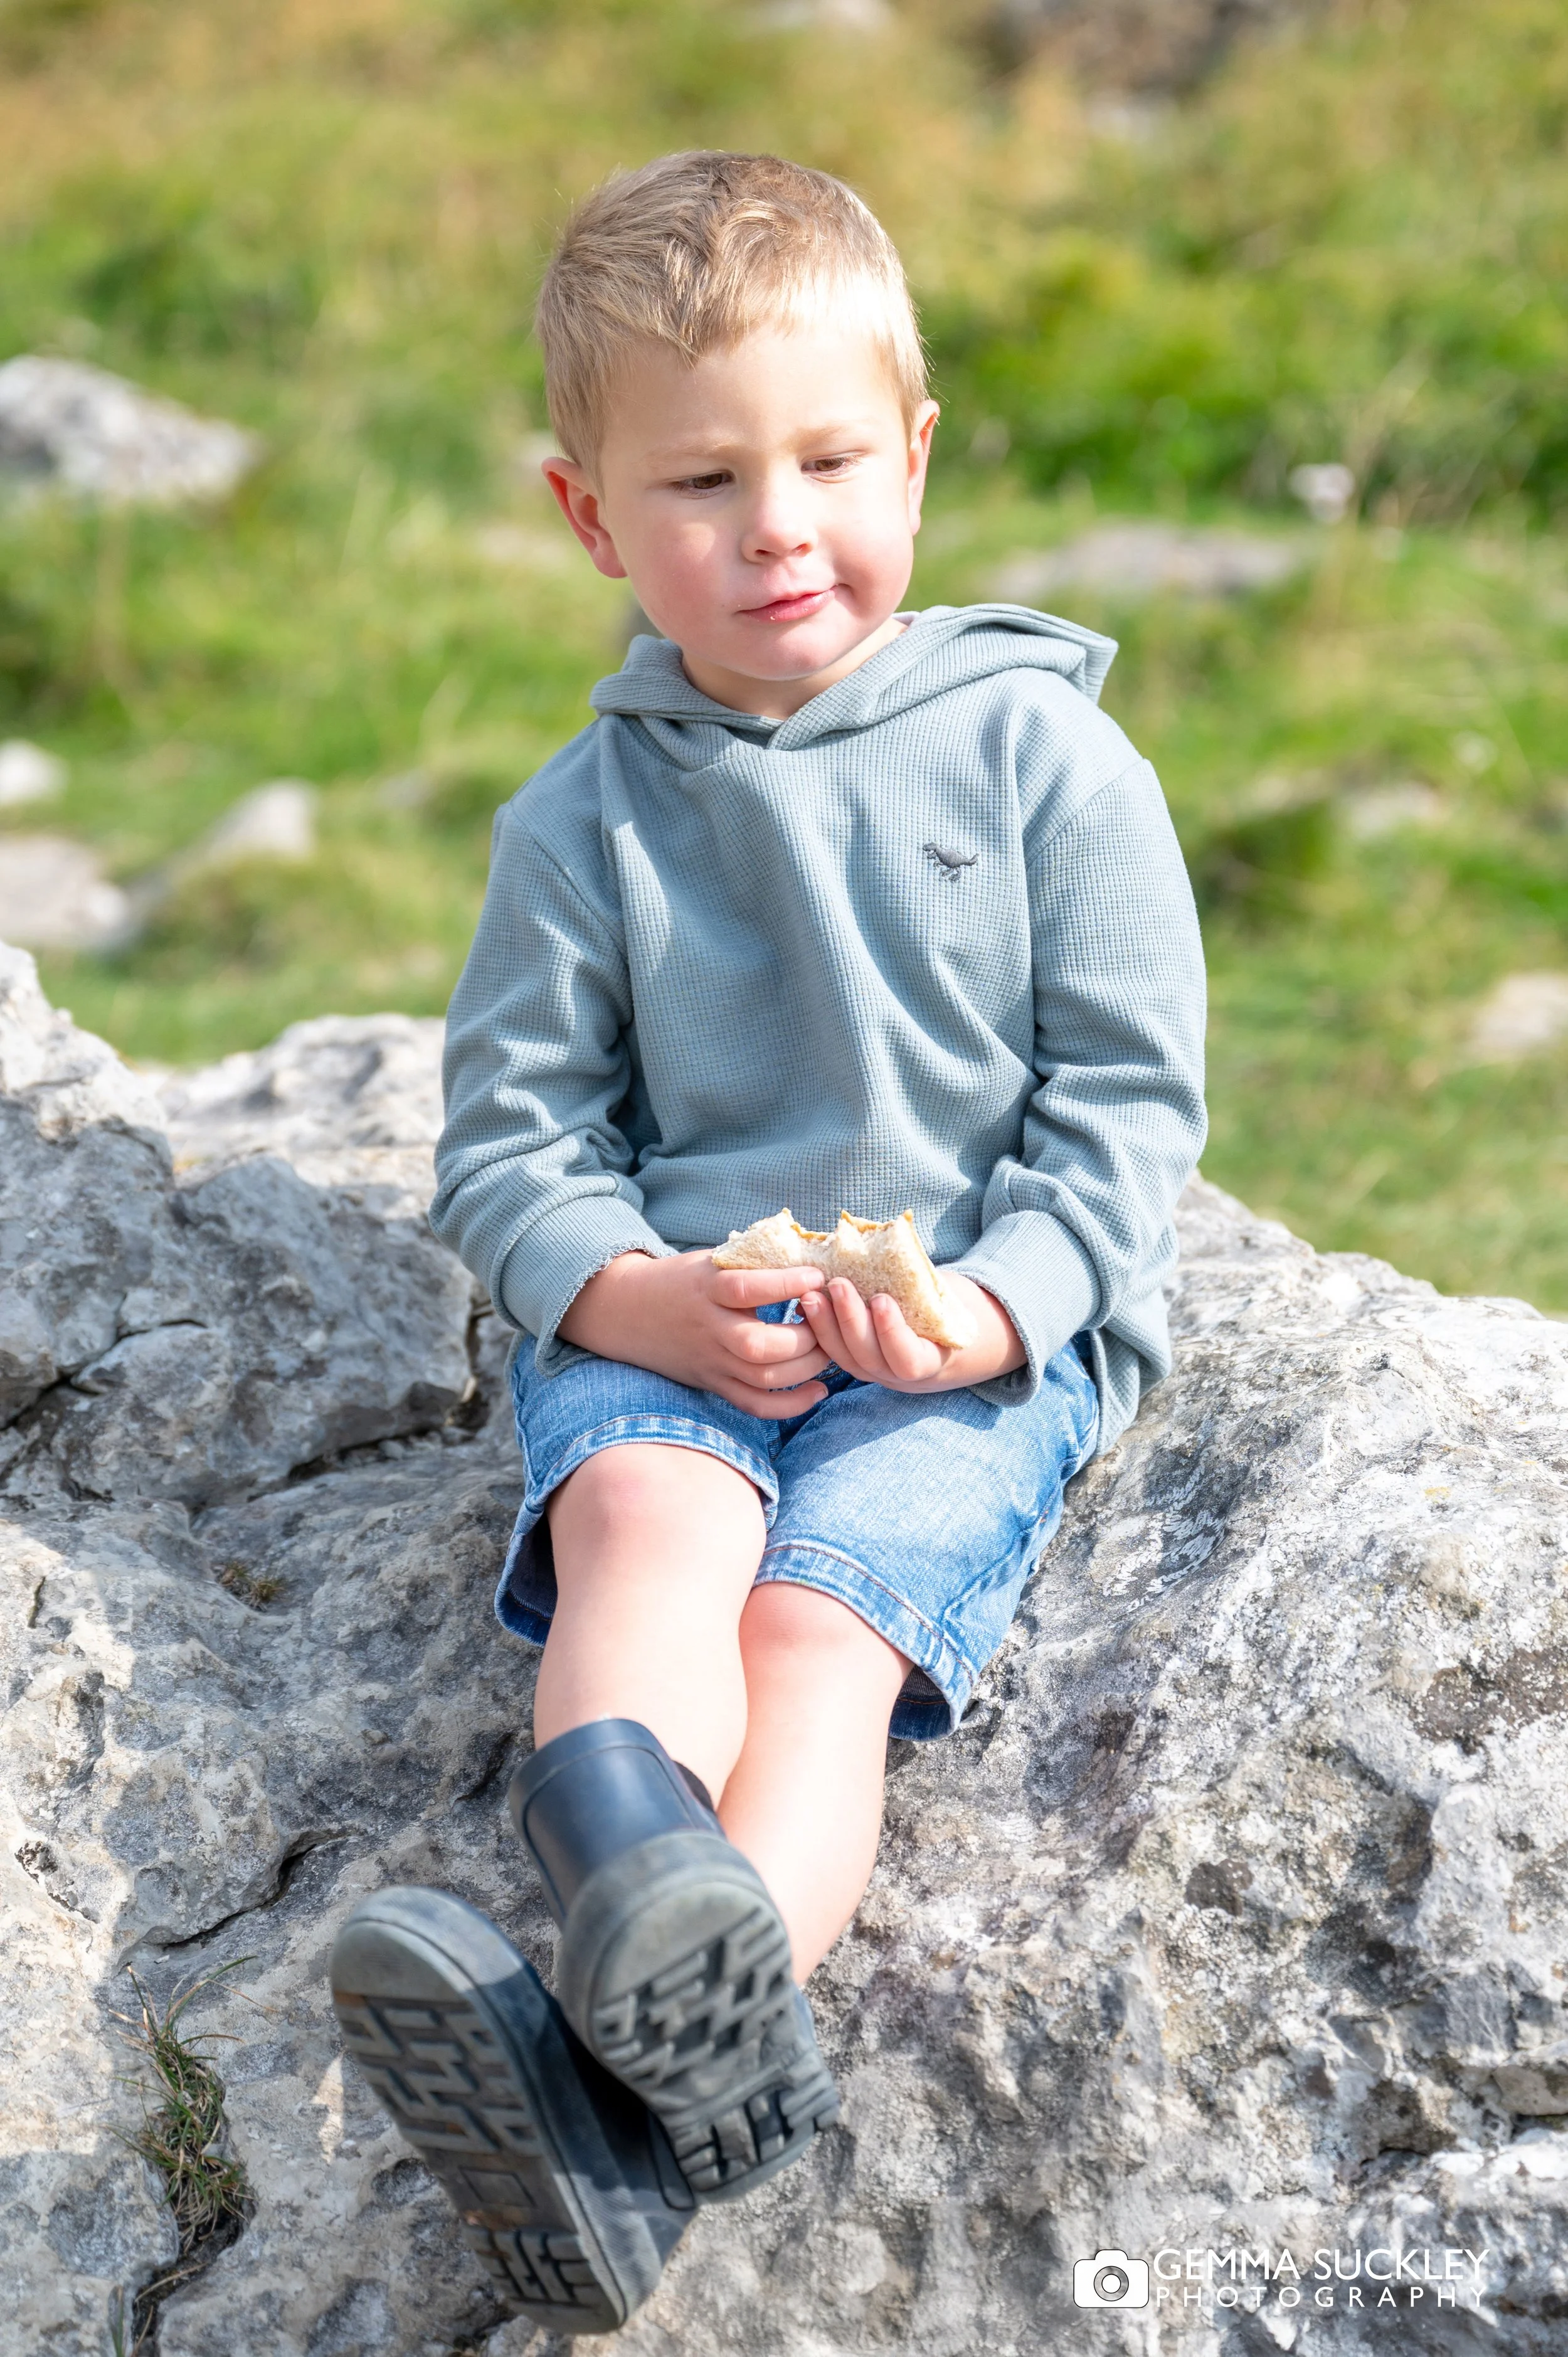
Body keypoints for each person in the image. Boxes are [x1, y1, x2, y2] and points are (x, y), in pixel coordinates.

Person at [329, 149, 1206, 2333]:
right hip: (680, 1310)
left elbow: (1123, 1117)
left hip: (966, 1345)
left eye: (826, 458)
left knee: (821, 1643)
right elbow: (514, 1138)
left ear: (913, 449)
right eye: (702, 480)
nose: (777, 526)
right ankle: (633, 1878)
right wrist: (630, 1296)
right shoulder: (586, 819)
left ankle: (635, 2074)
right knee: (645, 1521)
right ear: (588, 517)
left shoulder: (1049, 761)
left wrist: (997, 1306)